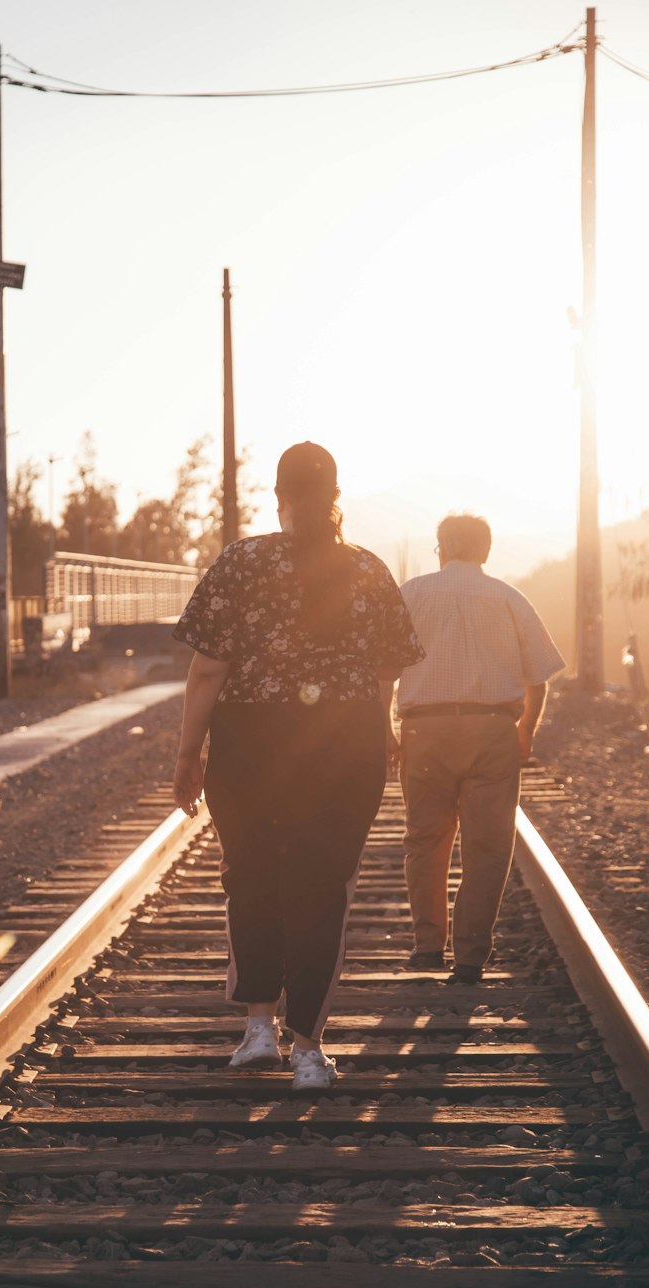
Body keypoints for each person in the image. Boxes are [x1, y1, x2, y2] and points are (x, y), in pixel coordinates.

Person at [172, 442, 424, 1091]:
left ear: (278, 496)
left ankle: (259, 1028)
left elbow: (207, 670)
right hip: (343, 740)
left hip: (250, 738)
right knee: (321, 889)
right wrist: (380, 728)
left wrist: (187, 755)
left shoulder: (241, 562)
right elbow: (388, 671)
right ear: (336, 494)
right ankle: (308, 1048)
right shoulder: (365, 568)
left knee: (251, 876)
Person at [396, 513, 564, 984]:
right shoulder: (511, 598)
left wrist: (387, 733)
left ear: (440, 548)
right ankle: (470, 956)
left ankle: (427, 946)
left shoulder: (410, 593)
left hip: (423, 730)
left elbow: (380, 672)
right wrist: (525, 729)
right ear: (485, 551)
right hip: (492, 729)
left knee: (425, 839)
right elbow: (539, 679)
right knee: (487, 843)